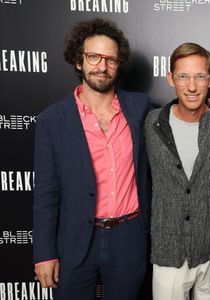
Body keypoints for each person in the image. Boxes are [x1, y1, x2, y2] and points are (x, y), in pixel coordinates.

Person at [32, 18, 152, 300]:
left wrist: (208, 103)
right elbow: (45, 194)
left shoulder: (140, 107)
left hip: (129, 236)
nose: (102, 66)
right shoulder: (52, 120)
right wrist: (44, 254)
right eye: (94, 56)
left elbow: (180, 113)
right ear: (78, 60)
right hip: (75, 239)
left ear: (119, 64)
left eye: (110, 59)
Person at [144, 42, 210, 300]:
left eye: (200, 77)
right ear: (170, 78)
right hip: (168, 250)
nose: (192, 86)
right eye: (183, 76)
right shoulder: (152, 122)